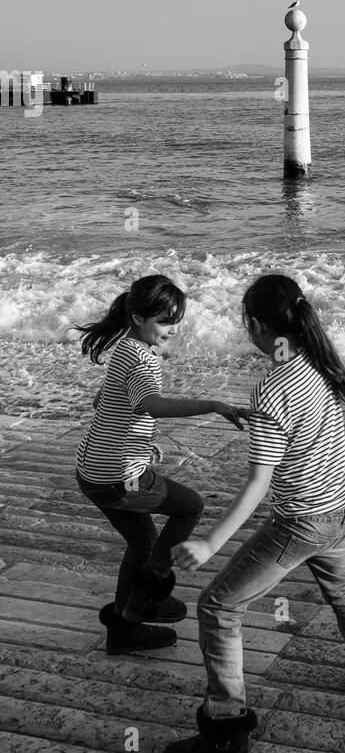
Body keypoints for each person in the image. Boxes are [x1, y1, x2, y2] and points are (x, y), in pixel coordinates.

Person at [163, 273, 345, 753]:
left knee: (218, 606)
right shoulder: (317, 363)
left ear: (257, 326)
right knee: (342, 586)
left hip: (303, 520)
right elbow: (307, 434)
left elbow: (257, 486)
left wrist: (209, 542)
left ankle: (225, 735)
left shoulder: (272, 388)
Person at [75, 274, 248, 654]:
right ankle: (149, 596)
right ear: (138, 317)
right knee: (190, 508)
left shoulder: (124, 348)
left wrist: (138, 438)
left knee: (141, 544)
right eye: (165, 321)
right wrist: (214, 405)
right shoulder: (141, 358)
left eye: (176, 321)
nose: (172, 330)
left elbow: (104, 401)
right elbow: (149, 404)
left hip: (91, 471)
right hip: (119, 478)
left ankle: (124, 632)